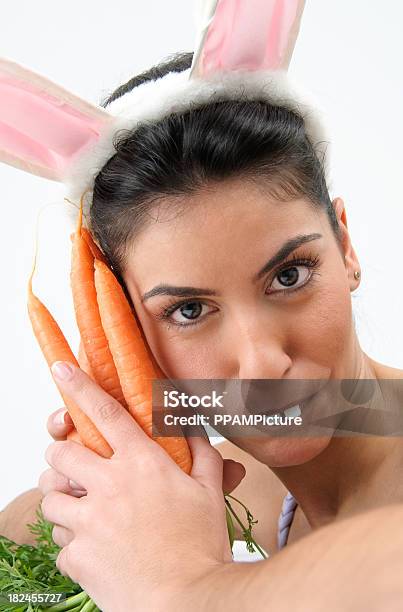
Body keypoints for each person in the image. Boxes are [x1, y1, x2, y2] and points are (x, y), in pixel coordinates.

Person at [2, 48, 403, 610]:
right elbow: (15, 527)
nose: (263, 364)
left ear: (346, 246)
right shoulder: (249, 490)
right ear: (132, 333)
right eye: (188, 311)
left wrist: (183, 585)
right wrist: (90, 495)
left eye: (289, 275)